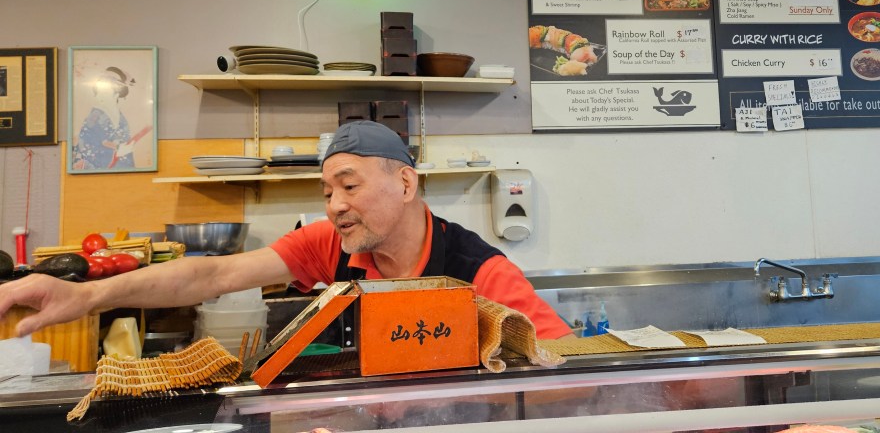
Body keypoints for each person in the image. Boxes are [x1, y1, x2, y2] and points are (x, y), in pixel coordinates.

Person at [0, 121, 574, 340]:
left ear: (405, 184)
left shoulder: (478, 270)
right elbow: (215, 273)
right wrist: (86, 294)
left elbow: (567, 369)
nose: (334, 206)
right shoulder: (334, 245)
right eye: (327, 191)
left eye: (349, 186)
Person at [71, 66, 136, 170]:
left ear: (117, 92)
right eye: (98, 92)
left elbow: (124, 143)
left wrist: (125, 148)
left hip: (121, 166)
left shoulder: (122, 119)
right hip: (99, 168)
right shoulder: (94, 117)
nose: (100, 96)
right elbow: (87, 146)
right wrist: (117, 150)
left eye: (105, 92)